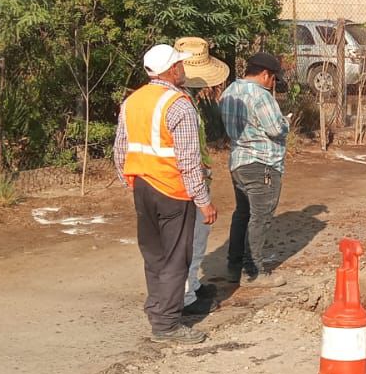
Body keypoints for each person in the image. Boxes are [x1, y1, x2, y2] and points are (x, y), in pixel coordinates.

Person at [113, 43, 217, 344]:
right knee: (175, 258)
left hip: (143, 187)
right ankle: (167, 325)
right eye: (180, 65)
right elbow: (188, 159)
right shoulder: (179, 104)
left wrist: (132, 182)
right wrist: (203, 201)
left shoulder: (132, 101)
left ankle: (157, 308)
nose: (183, 69)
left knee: (154, 254)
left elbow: (121, 151)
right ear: (172, 70)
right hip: (173, 189)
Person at [220, 52, 291, 288]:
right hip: (263, 164)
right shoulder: (261, 97)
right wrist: (286, 122)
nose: (273, 84)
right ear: (264, 74)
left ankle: (234, 266)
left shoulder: (229, 92)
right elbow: (275, 129)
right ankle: (253, 270)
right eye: (273, 79)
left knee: (242, 214)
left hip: (239, 161)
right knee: (260, 217)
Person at [175, 36, 231, 317]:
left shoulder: (188, 100)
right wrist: (200, 194)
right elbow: (186, 156)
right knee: (189, 240)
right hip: (186, 185)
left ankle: (193, 286)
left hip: (194, 180)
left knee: (198, 238)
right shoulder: (180, 104)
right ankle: (185, 297)